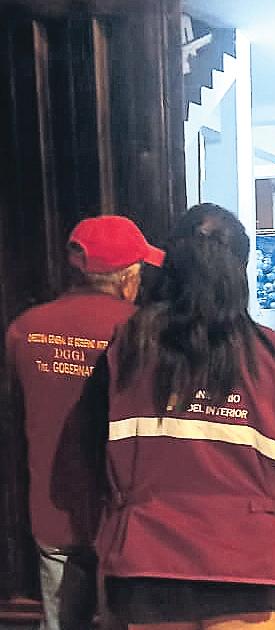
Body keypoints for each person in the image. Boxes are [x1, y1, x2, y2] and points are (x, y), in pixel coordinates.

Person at [92, 203, 275, 630]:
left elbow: (93, 450)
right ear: (240, 270)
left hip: (148, 566)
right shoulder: (271, 357)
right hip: (251, 566)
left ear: (170, 265)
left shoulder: (126, 349)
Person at [5, 215, 164, 630]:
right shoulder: (141, 332)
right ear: (127, 277)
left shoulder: (25, 328)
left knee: (60, 621)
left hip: (51, 507)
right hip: (123, 514)